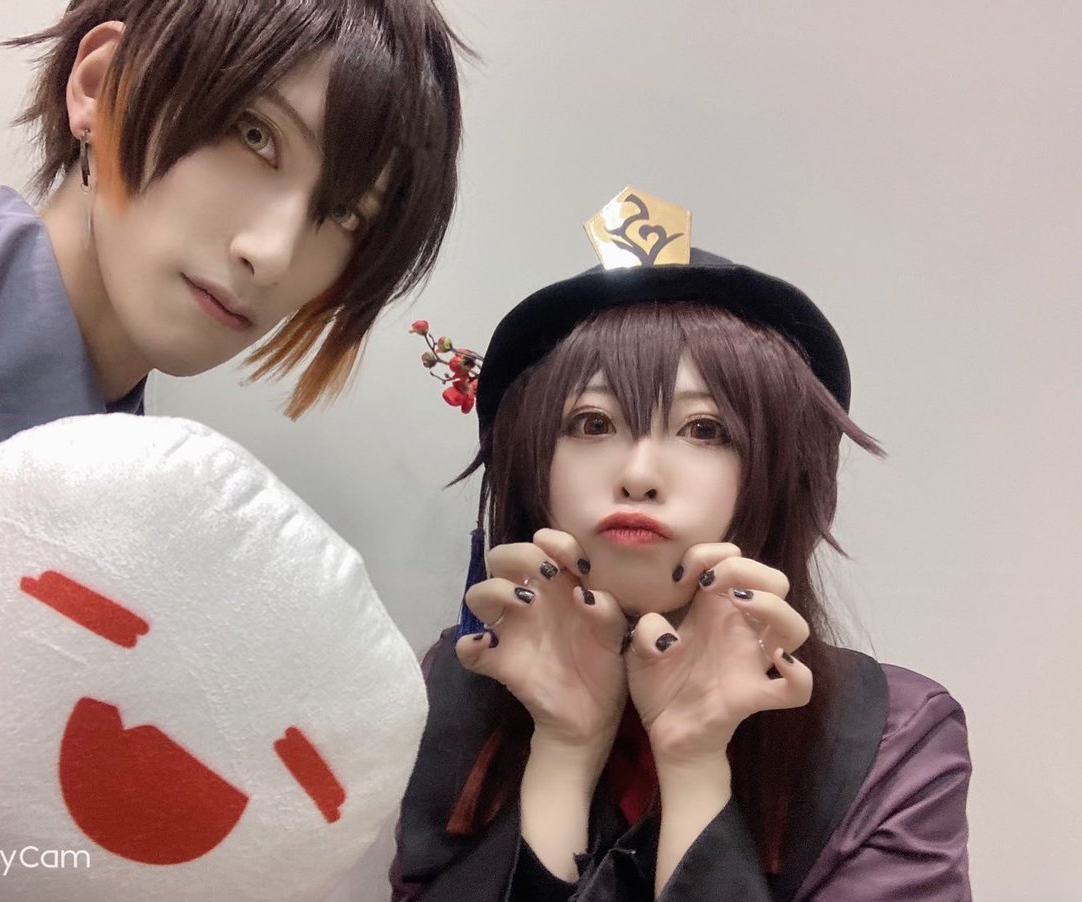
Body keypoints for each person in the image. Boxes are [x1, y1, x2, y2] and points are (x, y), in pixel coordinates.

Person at [391, 188, 971, 900]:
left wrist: (694, 767)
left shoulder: (895, 735)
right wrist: (563, 752)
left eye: (704, 430)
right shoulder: (456, 687)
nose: (638, 474)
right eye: (593, 424)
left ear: (777, 474)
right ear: (533, 468)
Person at [0, 0, 466, 568]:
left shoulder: (130, 502)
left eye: (345, 214)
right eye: (255, 135)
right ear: (100, 85)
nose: (274, 255)